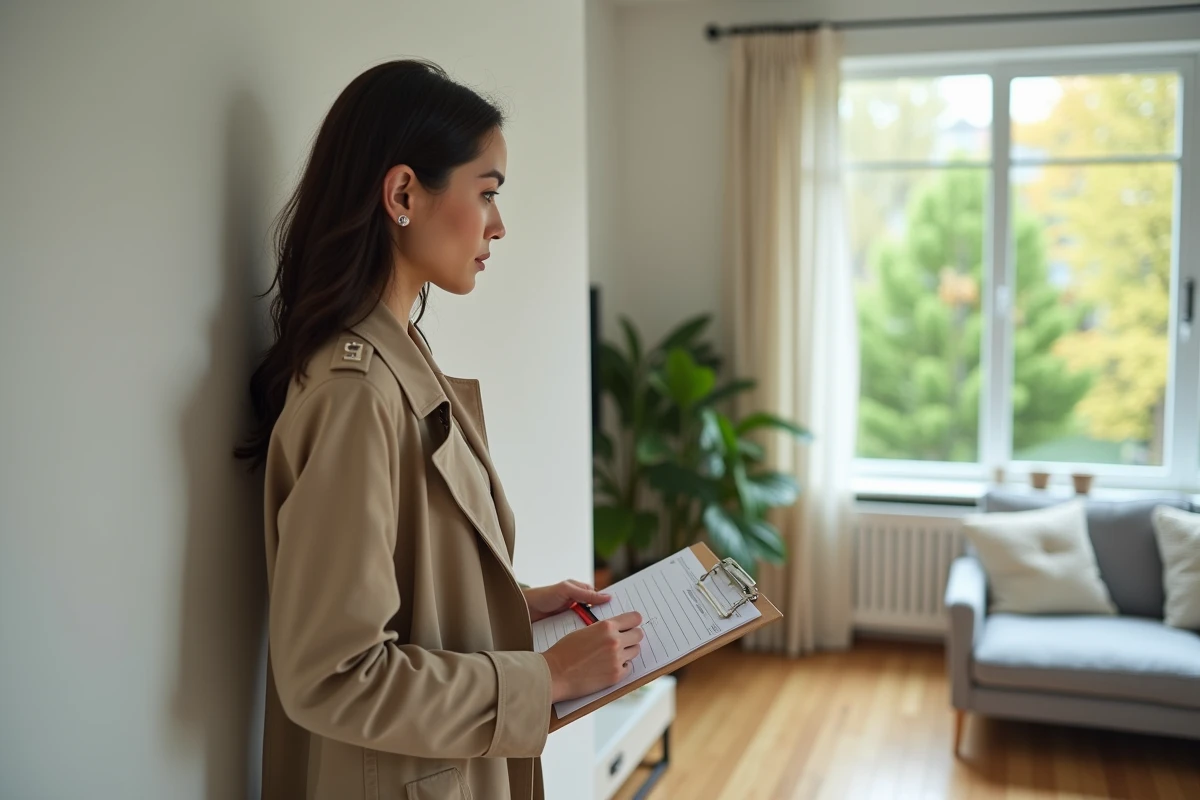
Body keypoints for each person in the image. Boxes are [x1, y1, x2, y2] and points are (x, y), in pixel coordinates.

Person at [235, 60, 644, 800]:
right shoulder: (355, 393)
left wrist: (512, 603)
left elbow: (396, 585)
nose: (499, 223)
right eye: (485, 193)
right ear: (402, 194)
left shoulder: (396, 354)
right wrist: (547, 677)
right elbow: (333, 674)